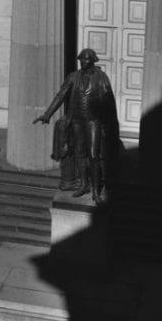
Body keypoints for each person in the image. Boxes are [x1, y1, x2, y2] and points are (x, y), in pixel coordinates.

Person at [33, 48, 120, 205]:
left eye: (86, 60)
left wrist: (111, 123)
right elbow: (61, 95)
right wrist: (47, 115)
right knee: (80, 154)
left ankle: (95, 190)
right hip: (77, 121)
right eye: (81, 60)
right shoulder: (73, 77)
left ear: (93, 60)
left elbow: (109, 102)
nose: (83, 62)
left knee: (93, 155)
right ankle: (83, 184)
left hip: (94, 121)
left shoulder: (101, 78)